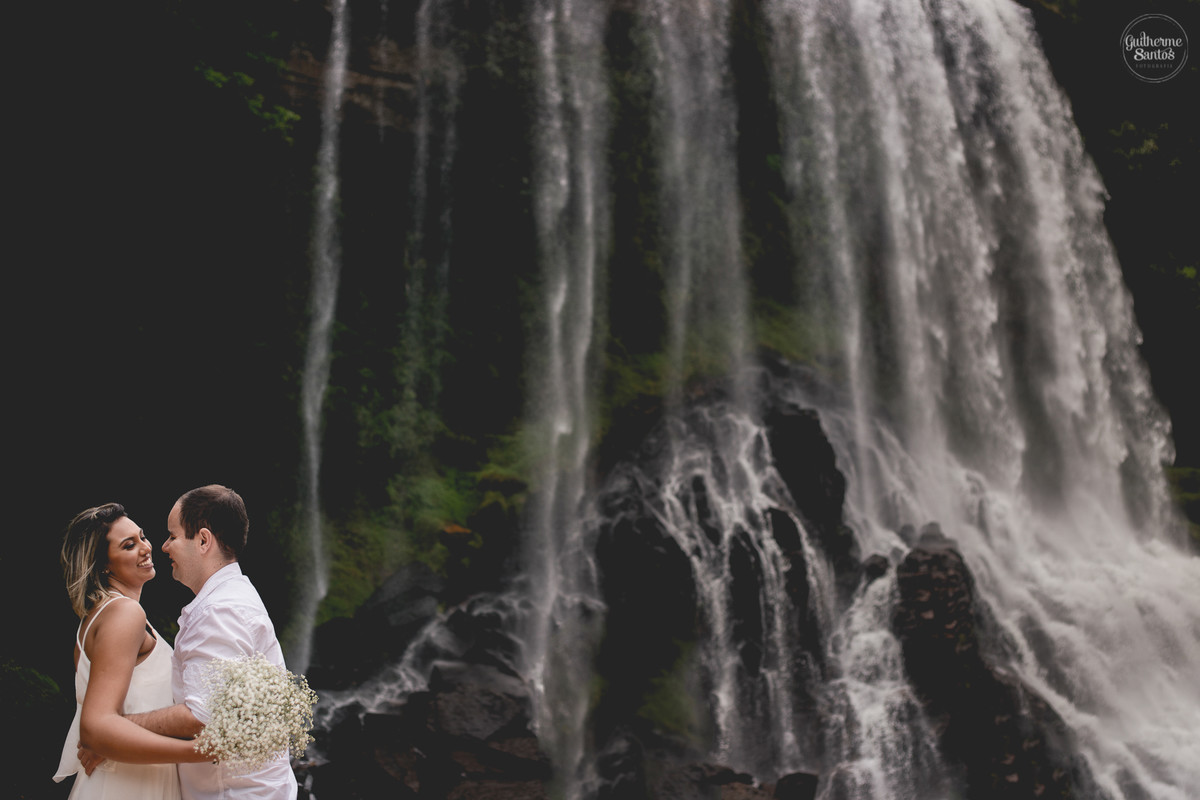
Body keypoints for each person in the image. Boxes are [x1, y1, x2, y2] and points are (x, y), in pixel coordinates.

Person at [120, 484, 299, 799]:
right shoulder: (231, 597)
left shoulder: (220, 611)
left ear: (203, 540)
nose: (163, 547)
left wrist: (119, 728)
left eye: (173, 536)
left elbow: (202, 717)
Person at [54, 502, 211, 798]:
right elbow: (96, 727)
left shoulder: (100, 616)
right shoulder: (124, 614)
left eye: (142, 536)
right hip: (127, 786)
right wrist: (199, 751)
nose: (145, 548)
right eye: (129, 545)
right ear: (103, 563)